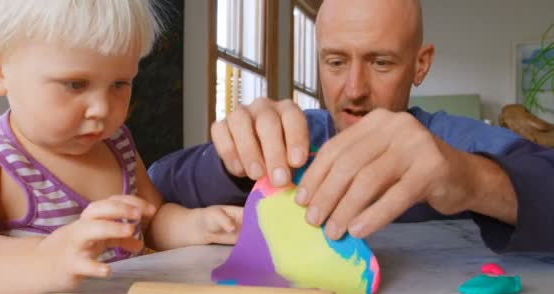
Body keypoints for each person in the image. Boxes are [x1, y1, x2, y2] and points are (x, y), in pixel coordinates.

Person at [149, 0, 554, 254]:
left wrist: (473, 180)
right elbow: (154, 184)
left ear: (420, 64)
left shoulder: (459, 141)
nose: (354, 90)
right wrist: (232, 163)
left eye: (381, 62)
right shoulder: (295, 137)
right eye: (336, 62)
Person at [0, 0, 242, 294]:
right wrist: (46, 258)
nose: (102, 109)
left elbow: (152, 222)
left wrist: (197, 224)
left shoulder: (117, 145)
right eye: (76, 84)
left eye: (119, 83)